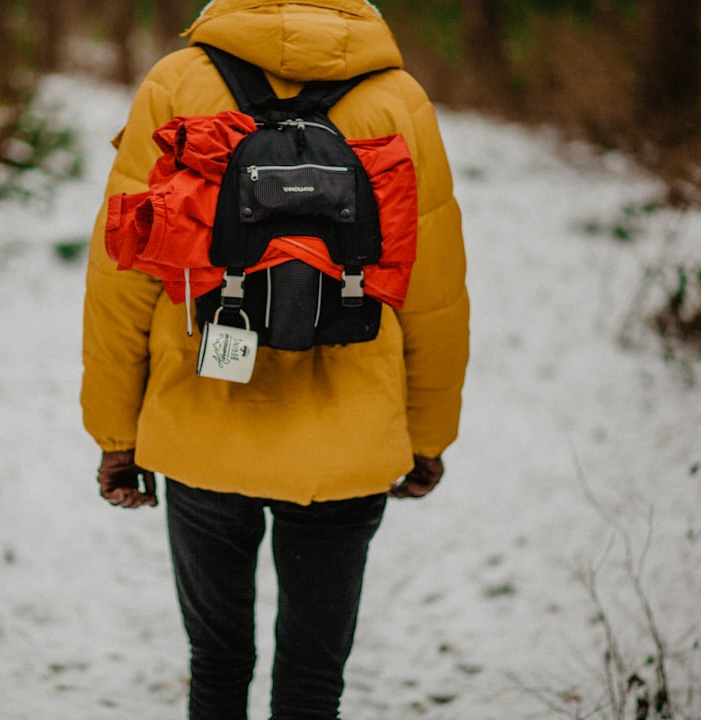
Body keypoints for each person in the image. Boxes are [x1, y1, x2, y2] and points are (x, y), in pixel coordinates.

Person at [80, 1, 469, 718]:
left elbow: (123, 275)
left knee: (218, 665)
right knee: (314, 679)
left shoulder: (177, 83)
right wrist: (427, 435)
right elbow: (435, 291)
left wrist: (116, 436)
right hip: (348, 439)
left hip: (203, 421)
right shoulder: (398, 100)